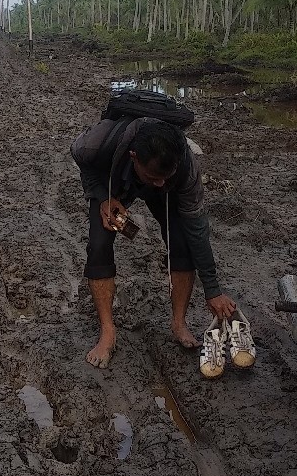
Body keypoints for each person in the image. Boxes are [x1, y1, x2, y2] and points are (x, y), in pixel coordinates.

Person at [71, 116, 237, 368]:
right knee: (99, 244)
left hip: (163, 188)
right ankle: (107, 332)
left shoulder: (185, 169)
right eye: (153, 176)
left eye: (165, 176)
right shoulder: (95, 144)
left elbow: (197, 230)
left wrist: (212, 289)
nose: (159, 182)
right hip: (113, 180)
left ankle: (179, 323)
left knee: (181, 241)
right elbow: (81, 159)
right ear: (133, 155)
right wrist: (101, 195)